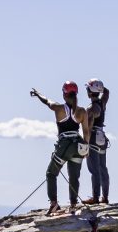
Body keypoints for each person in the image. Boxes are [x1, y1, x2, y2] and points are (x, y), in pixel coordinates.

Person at [30, 81, 85, 211]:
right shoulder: (82, 111)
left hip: (65, 145)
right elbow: (86, 130)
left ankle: (54, 204)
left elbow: (47, 101)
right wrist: (86, 147)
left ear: (64, 94)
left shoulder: (59, 108)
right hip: (79, 144)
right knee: (74, 177)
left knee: (51, 173)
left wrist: (38, 94)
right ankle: (73, 205)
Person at [83, 78, 111, 204]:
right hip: (102, 138)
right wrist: (100, 87)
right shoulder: (102, 103)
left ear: (89, 92)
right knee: (103, 168)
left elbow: (88, 128)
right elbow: (107, 92)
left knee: (94, 170)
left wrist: (85, 145)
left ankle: (95, 198)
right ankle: (105, 197)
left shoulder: (90, 109)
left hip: (93, 138)